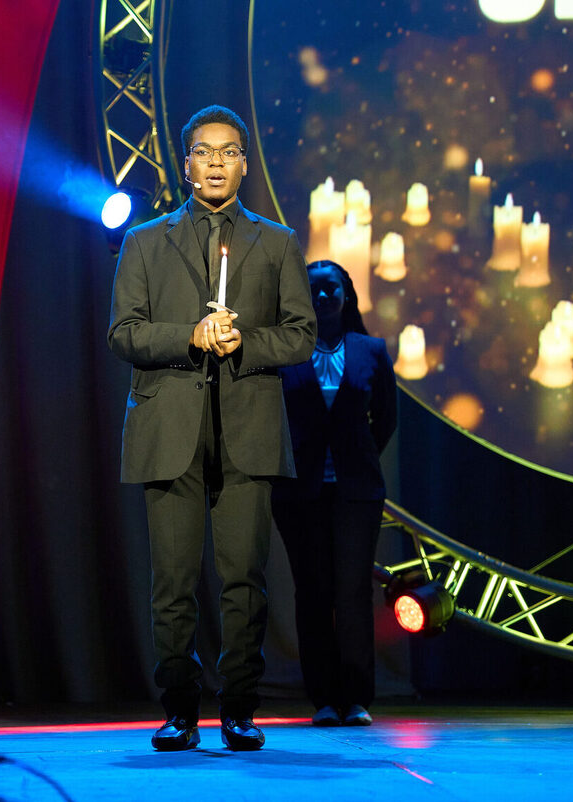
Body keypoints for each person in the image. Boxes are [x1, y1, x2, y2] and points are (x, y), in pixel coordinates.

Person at [108, 105, 315, 751]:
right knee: (172, 582)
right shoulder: (145, 241)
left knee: (243, 580)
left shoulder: (276, 241)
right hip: (169, 428)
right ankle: (178, 707)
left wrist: (244, 342)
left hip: (247, 430)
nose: (217, 162)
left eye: (229, 151)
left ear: (245, 163)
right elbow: (124, 333)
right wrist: (190, 336)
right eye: (205, 151)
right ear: (186, 163)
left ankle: (239, 707)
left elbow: (301, 335)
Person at [271, 259, 397, 727]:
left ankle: (357, 698)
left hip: (356, 493)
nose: (322, 297)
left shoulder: (371, 349)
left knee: (352, 592)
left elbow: (386, 419)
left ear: (346, 294)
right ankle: (323, 699)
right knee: (312, 592)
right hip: (298, 493)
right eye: (313, 290)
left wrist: (355, 459)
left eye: (331, 288)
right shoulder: (284, 349)